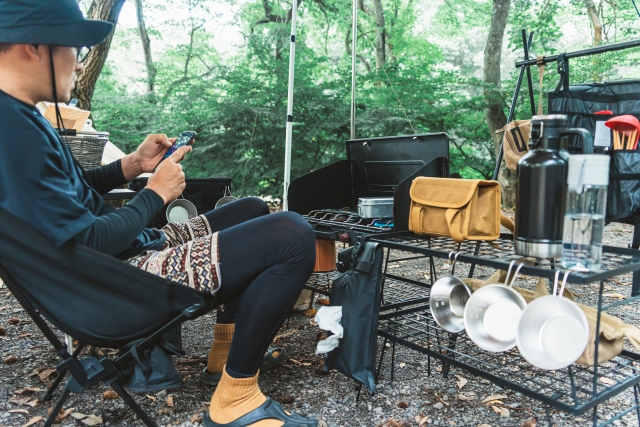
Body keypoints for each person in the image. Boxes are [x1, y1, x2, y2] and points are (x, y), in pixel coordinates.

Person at [0, 1, 318, 426]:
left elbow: (67, 191)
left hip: (116, 262)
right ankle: (235, 399)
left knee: (253, 209)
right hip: (117, 286)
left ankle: (224, 353)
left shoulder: (18, 119)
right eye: (75, 48)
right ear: (32, 46)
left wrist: (131, 166)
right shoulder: (11, 132)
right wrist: (155, 194)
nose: (79, 64)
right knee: (292, 234)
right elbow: (89, 240)